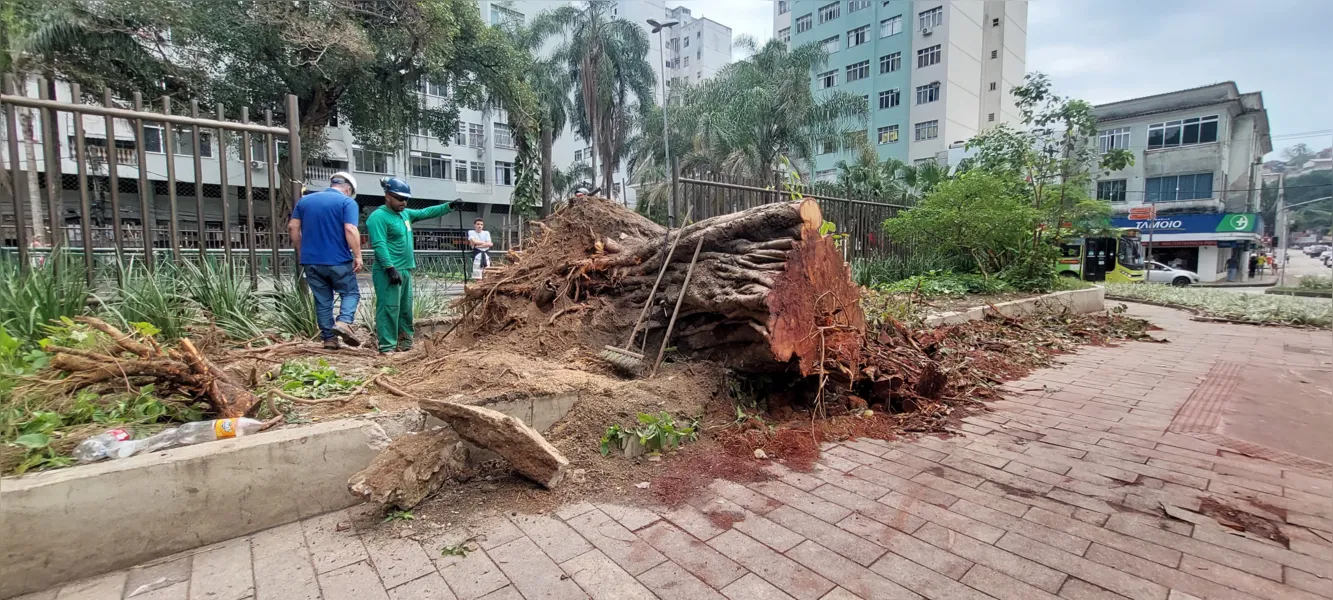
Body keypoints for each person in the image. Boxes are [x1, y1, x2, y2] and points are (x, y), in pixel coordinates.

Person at [366, 178, 460, 354]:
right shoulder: (378, 217)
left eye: (406, 199)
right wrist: (389, 268)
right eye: (400, 198)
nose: (404, 202)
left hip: (406, 269)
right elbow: (379, 244)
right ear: (388, 196)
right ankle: (387, 347)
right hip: (389, 272)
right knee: (389, 308)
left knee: (405, 309)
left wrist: (449, 206)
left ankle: (405, 344)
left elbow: (426, 212)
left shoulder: (405, 214)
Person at [287, 172, 363, 349]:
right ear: (348, 188)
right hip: (338, 260)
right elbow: (350, 229)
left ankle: (329, 339)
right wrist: (358, 255)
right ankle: (344, 322)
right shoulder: (347, 202)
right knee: (350, 293)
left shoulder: (305, 201)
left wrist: (301, 251)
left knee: (322, 300)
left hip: (311, 261)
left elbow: (293, 226)